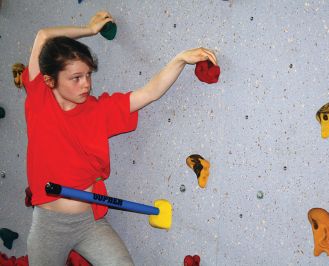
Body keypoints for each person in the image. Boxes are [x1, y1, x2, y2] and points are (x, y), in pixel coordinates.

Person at [22, 10, 218, 266]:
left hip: (88, 221)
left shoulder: (98, 110)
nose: (86, 84)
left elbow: (149, 93)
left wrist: (180, 59)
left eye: (88, 75)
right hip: (48, 226)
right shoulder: (37, 97)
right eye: (76, 78)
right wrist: (89, 29)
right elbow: (43, 35)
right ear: (50, 80)